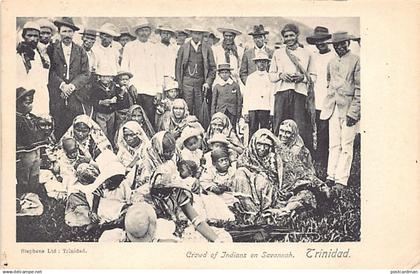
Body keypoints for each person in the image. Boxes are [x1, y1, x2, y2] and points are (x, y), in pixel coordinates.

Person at [143, 132, 229, 242]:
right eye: (167, 151)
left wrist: (217, 241)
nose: (171, 154)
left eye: (172, 150)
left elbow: (196, 220)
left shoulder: (176, 191)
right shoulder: (147, 197)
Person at [321, 32, 360, 187]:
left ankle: (341, 180)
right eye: (336, 45)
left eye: (342, 44)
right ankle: (331, 176)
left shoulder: (356, 61)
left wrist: (353, 113)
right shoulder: (331, 62)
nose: (339, 47)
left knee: (346, 144)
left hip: (348, 109)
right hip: (334, 108)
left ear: (348, 43)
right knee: (334, 144)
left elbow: (360, 89)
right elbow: (329, 82)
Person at [269, 23, 316, 149]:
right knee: (279, 124)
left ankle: (299, 155)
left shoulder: (307, 53)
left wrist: (302, 78)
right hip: (281, 93)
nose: (289, 38)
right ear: (283, 38)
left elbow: (314, 76)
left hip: (299, 93)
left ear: (297, 36)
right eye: (286, 36)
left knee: (299, 125)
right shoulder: (278, 53)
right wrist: (281, 75)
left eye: (291, 35)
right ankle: (277, 152)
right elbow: (271, 76)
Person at [48, 17, 90, 139]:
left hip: (75, 96)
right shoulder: (52, 49)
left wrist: (71, 86)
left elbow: (86, 73)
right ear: (59, 32)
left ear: (73, 33)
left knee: (73, 124)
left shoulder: (80, 51)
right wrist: (62, 86)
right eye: (64, 31)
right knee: (57, 123)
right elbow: (50, 71)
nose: (67, 35)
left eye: (70, 32)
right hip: (57, 95)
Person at [121, 19, 160, 129]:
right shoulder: (129, 46)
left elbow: (159, 69)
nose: (144, 33)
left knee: (150, 118)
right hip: (135, 89)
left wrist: (158, 90)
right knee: (134, 117)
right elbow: (124, 68)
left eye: (146, 30)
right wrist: (130, 85)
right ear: (137, 32)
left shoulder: (154, 47)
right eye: (141, 30)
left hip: (150, 90)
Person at [233, 129, 283, 215]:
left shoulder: (274, 158)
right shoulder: (245, 157)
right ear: (253, 143)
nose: (262, 148)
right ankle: (249, 209)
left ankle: (263, 210)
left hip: (267, 190)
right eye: (259, 144)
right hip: (249, 189)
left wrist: (261, 176)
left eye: (266, 145)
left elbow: (277, 178)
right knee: (240, 173)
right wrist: (253, 176)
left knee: (261, 180)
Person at [306, 26, 335, 173]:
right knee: (313, 129)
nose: (320, 43)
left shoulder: (334, 57)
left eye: (323, 40)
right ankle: (314, 159)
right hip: (314, 99)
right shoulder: (313, 56)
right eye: (318, 41)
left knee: (325, 131)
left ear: (328, 41)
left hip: (328, 100)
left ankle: (324, 162)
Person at [175, 27, 217, 123]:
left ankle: (199, 132)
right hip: (186, 82)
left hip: (200, 84)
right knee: (186, 108)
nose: (197, 36)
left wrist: (208, 83)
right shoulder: (183, 48)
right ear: (191, 34)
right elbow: (178, 68)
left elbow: (213, 68)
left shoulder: (207, 48)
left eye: (199, 34)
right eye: (195, 33)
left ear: (202, 35)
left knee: (200, 110)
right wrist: (180, 85)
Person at [17, 21, 50, 117]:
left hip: (42, 96)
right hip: (27, 98)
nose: (33, 39)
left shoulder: (42, 54)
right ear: (24, 36)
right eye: (29, 35)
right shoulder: (20, 54)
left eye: (36, 36)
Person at [90, 66, 130, 143]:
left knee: (111, 130)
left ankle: (111, 145)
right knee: (103, 131)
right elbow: (93, 100)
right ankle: (103, 145)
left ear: (111, 77)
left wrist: (120, 94)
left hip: (111, 113)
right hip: (101, 113)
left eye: (107, 76)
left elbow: (119, 98)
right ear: (99, 77)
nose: (105, 78)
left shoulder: (113, 86)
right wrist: (103, 102)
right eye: (103, 76)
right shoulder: (96, 87)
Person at [16, 87, 45, 186]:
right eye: (27, 103)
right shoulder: (17, 119)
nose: (30, 106)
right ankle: (24, 192)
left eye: (31, 103)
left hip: (35, 149)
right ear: (18, 104)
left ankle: (34, 191)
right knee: (25, 173)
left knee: (35, 173)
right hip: (24, 152)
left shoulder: (31, 117)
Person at [242, 51, 275, 139]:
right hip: (253, 108)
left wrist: (272, 112)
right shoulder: (251, 78)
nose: (262, 64)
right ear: (256, 63)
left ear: (267, 63)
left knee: (265, 131)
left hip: (265, 108)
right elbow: (246, 96)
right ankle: (251, 150)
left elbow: (272, 96)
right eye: (260, 61)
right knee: (252, 131)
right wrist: (245, 112)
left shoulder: (270, 77)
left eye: (264, 61)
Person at [210, 63, 243, 129]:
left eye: (226, 72)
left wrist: (238, 114)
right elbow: (213, 102)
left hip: (232, 112)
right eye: (222, 73)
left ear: (229, 74)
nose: (224, 74)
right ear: (219, 75)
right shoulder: (217, 86)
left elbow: (239, 101)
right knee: (221, 127)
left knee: (232, 128)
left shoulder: (235, 85)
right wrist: (213, 115)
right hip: (221, 111)